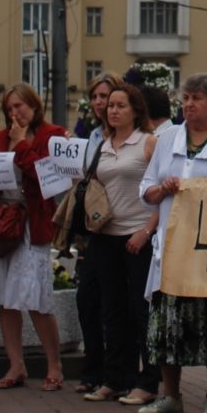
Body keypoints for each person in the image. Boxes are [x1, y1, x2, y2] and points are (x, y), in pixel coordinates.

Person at [137, 72, 207, 413]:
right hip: (172, 247)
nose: (189, 105)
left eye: (196, 98)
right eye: (186, 98)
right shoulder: (167, 140)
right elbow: (146, 190)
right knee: (168, 323)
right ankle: (171, 395)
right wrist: (162, 188)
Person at [0, 84, 66, 391]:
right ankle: (16, 365)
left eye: (19, 106)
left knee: (36, 297)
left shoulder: (52, 135)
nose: (14, 114)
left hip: (34, 224)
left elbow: (48, 179)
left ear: (34, 105)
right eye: (9, 109)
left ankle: (54, 364)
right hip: (4, 223)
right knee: (7, 298)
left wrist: (20, 146)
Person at [80, 82, 159, 405]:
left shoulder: (148, 143)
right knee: (111, 310)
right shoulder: (103, 144)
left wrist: (147, 230)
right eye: (110, 105)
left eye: (120, 105)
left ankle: (147, 381)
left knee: (142, 311)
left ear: (135, 110)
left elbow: (162, 194)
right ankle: (116, 377)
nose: (113, 110)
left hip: (138, 236)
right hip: (105, 237)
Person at [71, 70, 120, 394]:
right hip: (92, 225)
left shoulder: (128, 136)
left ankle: (113, 372)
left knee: (112, 305)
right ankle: (93, 367)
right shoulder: (91, 137)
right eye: (97, 97)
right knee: (86, 299)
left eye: (107, 97)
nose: (101, 103)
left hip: (118, 225)